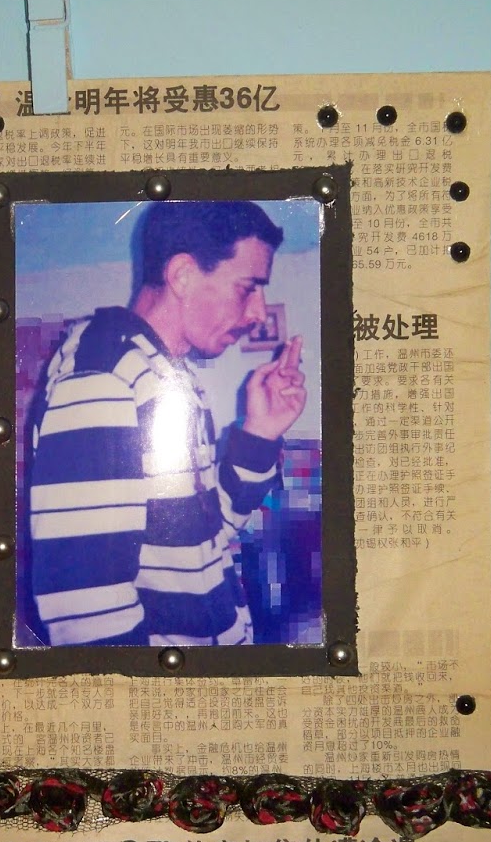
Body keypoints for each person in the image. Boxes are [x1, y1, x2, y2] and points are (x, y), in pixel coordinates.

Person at [25, 200, 307, 647]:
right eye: (247, 288)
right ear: (183, 275)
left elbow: (207, 535)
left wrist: (260, 432)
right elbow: (86, 606)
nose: (258, 311)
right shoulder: (104, 374)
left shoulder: (166, 375)